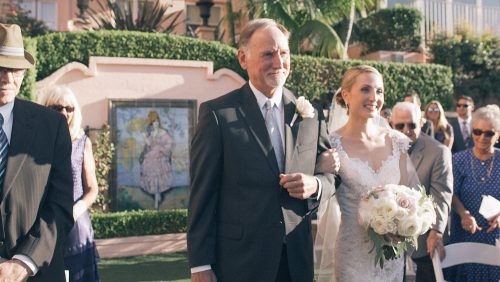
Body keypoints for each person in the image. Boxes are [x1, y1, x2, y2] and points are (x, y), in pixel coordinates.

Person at [187, 18, 336, 282]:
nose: (279, 63)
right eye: (268, 54)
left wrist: (315, 185)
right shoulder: (217, 114)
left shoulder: (310, 113)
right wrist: (200, 264)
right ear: (243, 59)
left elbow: (333, 174)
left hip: (296, 262)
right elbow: (202, 194)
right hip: (240, 261)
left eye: (284, 53)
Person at [316, 65, 419, 281]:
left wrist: (404, 222)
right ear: (346, 95)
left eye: (379, 91)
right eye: (365, 89)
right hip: (353, 255)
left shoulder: (396, 141)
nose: (374, 97)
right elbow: (320, 196)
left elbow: (411, 194)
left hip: (391, 256)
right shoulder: (331, 144)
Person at [0, 23, 73, 281]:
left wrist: (22, 263)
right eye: (1, 68)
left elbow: (61, 205)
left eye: (15, 69)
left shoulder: (51, 126)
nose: (8, 79)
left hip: (37, 273)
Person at [39, 86, 100, 282]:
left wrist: (74, 211)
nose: (64, 112)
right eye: (57, 107)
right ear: (45, 107)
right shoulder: (35, 141)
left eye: (69, 108)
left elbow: (92, 189)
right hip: (42, 226)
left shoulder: (82, 142)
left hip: (75, 227)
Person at [391, 102, 453, 282]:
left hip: (425, 235)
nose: (406, 130)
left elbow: (441, 195)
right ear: (391, 123)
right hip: (389, 233)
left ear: (422, 122)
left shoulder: (438, 152)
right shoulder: (382, 147)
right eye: (400, 125)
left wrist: (437, 231)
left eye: (412, 125)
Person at [445, 105, 500, 282]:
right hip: (466, 230)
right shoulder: (458, 159)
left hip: (495, 234)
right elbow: (451, 192)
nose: (482, 137)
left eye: (489, 133)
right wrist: (464, 214)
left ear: (497, 135)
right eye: (477, 131)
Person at [140, 111, 173, 209]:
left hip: (160, 158)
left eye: (157, 121)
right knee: (152, 176)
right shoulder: (151, 133)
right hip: (151, 158)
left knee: (159, 177)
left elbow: (169, 143)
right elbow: (149, 144)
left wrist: (161, 148)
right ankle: (156, 196)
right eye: (153, 122)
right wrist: (145, 138)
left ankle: (157, 197)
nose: (155, 124)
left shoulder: (163, 132)